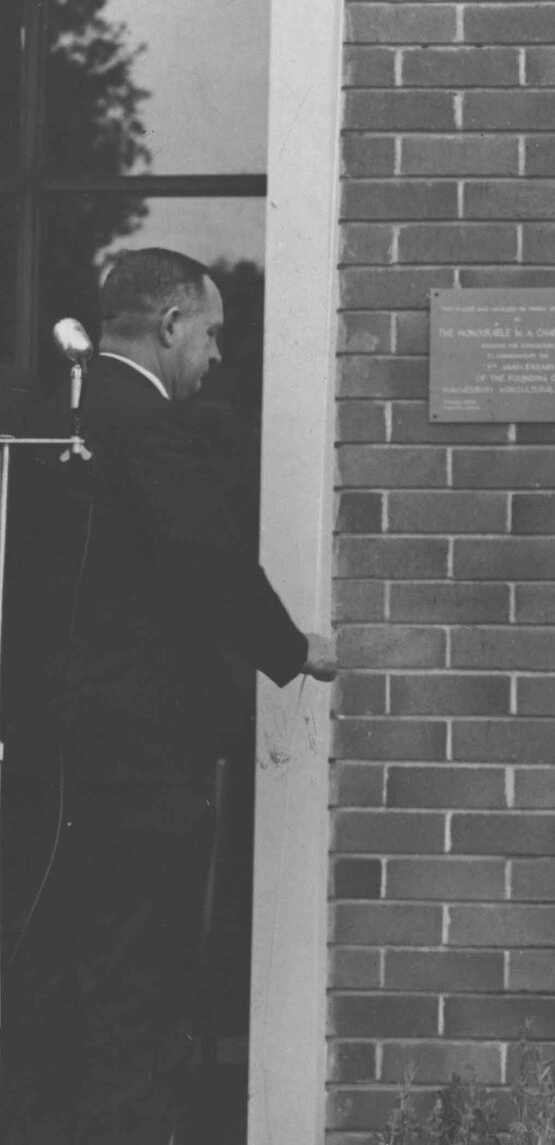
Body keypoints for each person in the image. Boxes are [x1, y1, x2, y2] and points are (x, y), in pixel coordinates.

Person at [0, 248, 337, 1145]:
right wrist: (296, 648)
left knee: (47, 989)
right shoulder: (151, 427)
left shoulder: (47, 420)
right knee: (139, 1002)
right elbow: (208, 561)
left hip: (44, 770)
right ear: (172, 325)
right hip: (137, 776)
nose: (218, 357)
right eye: (214, 334)